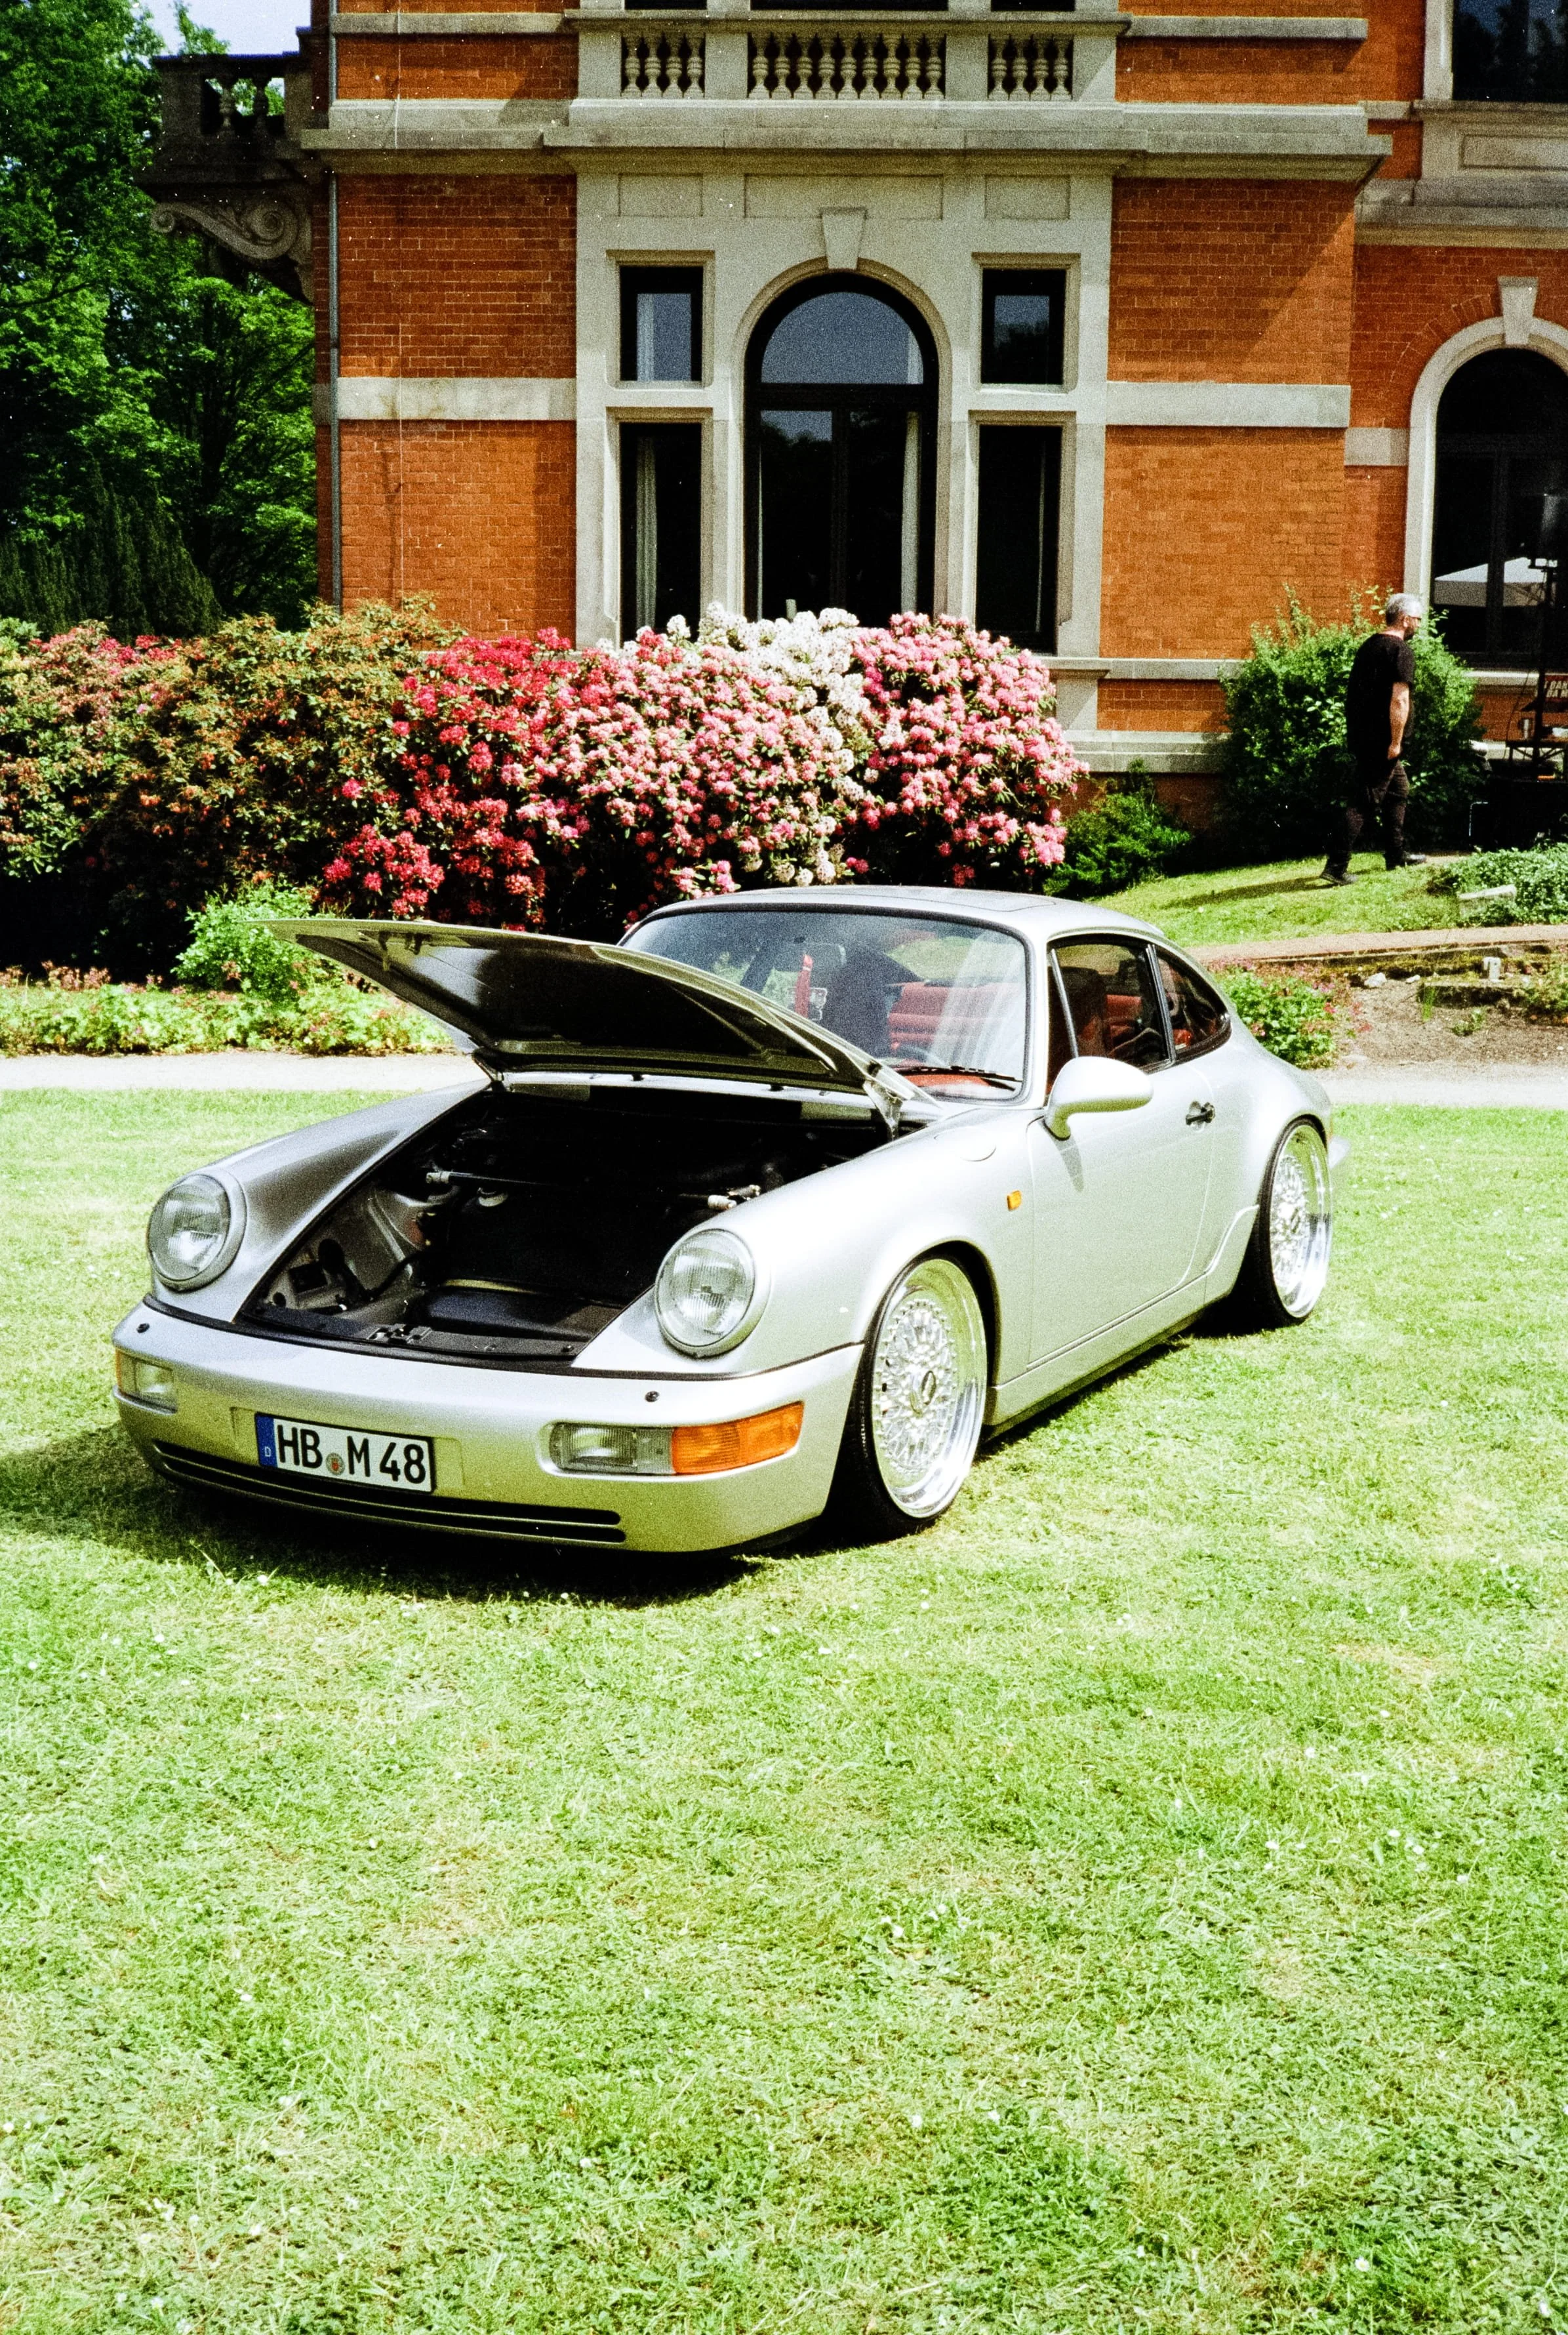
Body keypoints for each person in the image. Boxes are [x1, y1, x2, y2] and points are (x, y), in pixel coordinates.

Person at [1324, 593, 1428, 885]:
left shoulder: (1369, 646)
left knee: (1398, 790)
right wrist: (1395, 742)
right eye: (1417, 618)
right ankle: (1336, 866)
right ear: (1405, 619)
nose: (1419, 624)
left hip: (1363, 736)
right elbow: (1400, 701)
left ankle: (1396, 854)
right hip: (1383, 742)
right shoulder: (1400, 651)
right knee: (1364, 800)